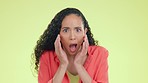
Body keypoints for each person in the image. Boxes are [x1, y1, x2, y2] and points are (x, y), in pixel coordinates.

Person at [33, 8, 109, 83]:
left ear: (84, 32)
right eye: (65, 30)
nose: (72, 37)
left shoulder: (100, 54)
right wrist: (63, 65)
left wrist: (79, 66)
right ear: (58, 34)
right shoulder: (46, 57)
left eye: (78, 30)